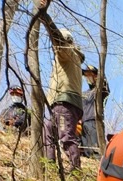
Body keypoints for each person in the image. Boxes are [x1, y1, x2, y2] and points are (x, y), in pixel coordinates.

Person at [40, 11, 83, 170]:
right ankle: (50, 164)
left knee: (66, 136)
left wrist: (46, 18)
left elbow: (57, 38)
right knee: (48, 130)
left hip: (65, 104)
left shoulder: (68, 53)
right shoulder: (70, 57)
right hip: (60, 104)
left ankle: (75, 169)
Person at [79, 64, 109, 158]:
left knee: (96, 149)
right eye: (86, 75)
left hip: (95, 121)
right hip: (83, 123)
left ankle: (99, 163)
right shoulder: (84, 94)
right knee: (87, 150)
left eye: (90, 74)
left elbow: (105, 86)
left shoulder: (100, 91)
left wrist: (99, 78)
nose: (88, 77)